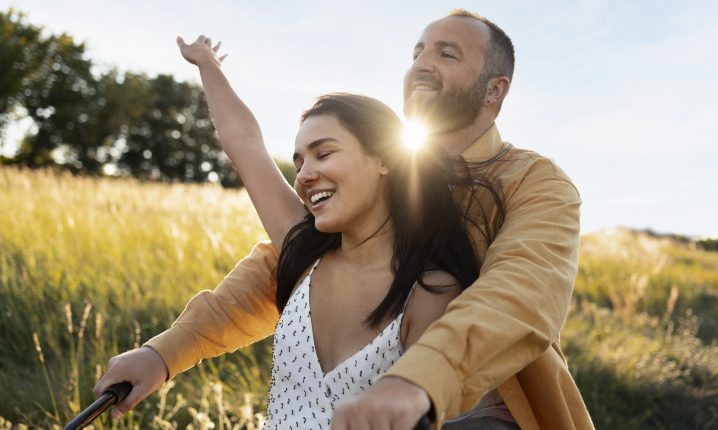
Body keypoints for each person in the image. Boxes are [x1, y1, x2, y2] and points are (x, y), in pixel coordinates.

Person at [96, 9, 595, 430]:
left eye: (446, 54)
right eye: (416, 52)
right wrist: (164, 353)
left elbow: (520, 295)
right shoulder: (359, 191)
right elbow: (280, 270)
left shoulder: (536, 183)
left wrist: (419, 379)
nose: (421, 65)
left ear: (494, 90)